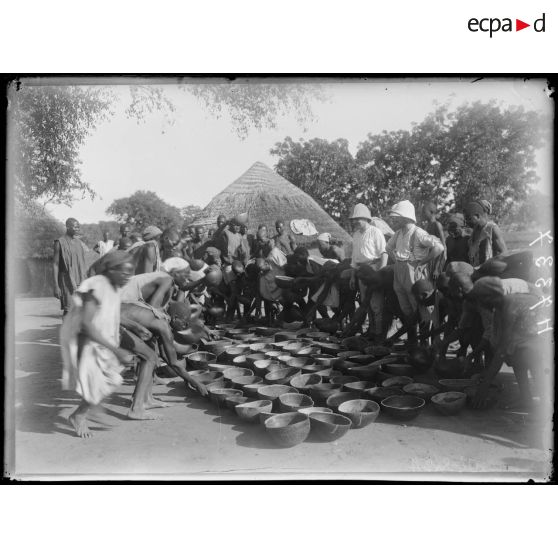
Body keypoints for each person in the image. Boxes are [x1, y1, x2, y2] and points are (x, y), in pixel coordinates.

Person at [60, 251, 136, 437]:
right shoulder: (96, 286)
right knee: (99, 382)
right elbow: (86, 325)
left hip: (103, 342)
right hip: (87, 343)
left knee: (111, 379)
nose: (128, 276)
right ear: (110, 270)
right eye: (124, 272)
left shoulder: (114, 286)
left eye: (130, 272)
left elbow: (110, 316)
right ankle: (79, 416)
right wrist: (116, 350)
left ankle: (91, 409)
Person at [468, 278, 549, 410]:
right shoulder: (500, 307)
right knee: (515, 355)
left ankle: (546, 404)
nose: (480, 305)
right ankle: (526, 399)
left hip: (538, 335)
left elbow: (503, 347)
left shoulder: (509, 304)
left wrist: (485, 384)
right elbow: (499, 341)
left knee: (529, 355)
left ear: (489, 297)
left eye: (480, 300)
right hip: (527, 333)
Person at [386, 200, 444, 344]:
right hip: (399, 271)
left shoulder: (418, 232)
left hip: (413, 273)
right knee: (406, 309)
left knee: (420, 309)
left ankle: (424, 343)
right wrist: (398, 262)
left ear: (405, 217)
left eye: (396, 217)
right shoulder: (399, 233)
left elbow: (439, 247)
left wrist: (421, 262)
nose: (394, 220)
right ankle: (412, 341)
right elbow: (388, 248)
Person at [348, 203, 388, 340]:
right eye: (353, 219)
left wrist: (380, 274)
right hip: (361, 272)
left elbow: (384, 254)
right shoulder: (356, 235)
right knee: (366, 303)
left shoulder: (375, 232)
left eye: (357, 219)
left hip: (373, 270)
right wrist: (353, 277)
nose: (354, 222)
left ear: (365, 218)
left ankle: (379, 334)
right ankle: (371, 330)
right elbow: (354, 259)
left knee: (376, 304)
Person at [53, 218, 89, 315]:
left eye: (78, 226)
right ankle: (66, 330)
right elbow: (55, 264)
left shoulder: (79, 243)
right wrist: (56, 286)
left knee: (81, 310)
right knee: (68, 310)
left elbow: (82, 262)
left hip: (80, 280)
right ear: (68, 227)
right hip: (67, 282)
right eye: (75, 226)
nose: (77, 228)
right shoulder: (59, 242)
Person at [465, 199, 507, 266]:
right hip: (478, 270)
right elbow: (471, 254)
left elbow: (503, 253)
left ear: (478, 215)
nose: (467, 222)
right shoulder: (475, 231)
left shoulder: (492, 228)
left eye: (469, 219)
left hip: (490, 270)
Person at [421, 201, 446, 280]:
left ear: (431, 212)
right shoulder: (426, 226)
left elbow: (443, 248)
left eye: (424, 212)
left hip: (436, 260)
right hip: (428, 260)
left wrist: (437, 268)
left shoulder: (437, 225)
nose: (423, 214)